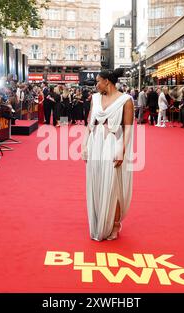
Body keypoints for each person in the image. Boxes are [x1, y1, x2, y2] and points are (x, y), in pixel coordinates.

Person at [81, 68, 135, 241]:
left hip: (114, 143)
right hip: (96, 143)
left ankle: (115, 224)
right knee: (97, 182)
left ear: (107, 82)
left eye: (98, 81)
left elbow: (128, 128)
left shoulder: (126, 100)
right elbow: (90, 123)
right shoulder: (95, 98)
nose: (95, 84)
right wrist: (84, 145)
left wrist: (122, 149)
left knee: (114, 186)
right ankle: (100, 221)